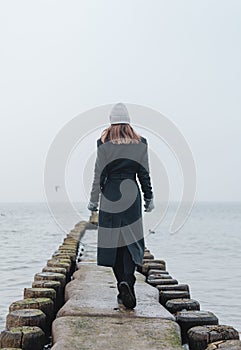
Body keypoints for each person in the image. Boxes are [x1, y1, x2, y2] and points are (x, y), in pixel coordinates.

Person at [87, 102, 154, 309]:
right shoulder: (141, 143)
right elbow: (144, 174)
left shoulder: (103, 144)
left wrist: (93, 200)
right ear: (128, 122)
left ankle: (122, 285)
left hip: (110, 196)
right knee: (131, 242)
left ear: (111, 122)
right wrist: (149, 197)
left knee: (113, 243)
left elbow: (99, 174)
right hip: (131, 195)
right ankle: (128, 282)